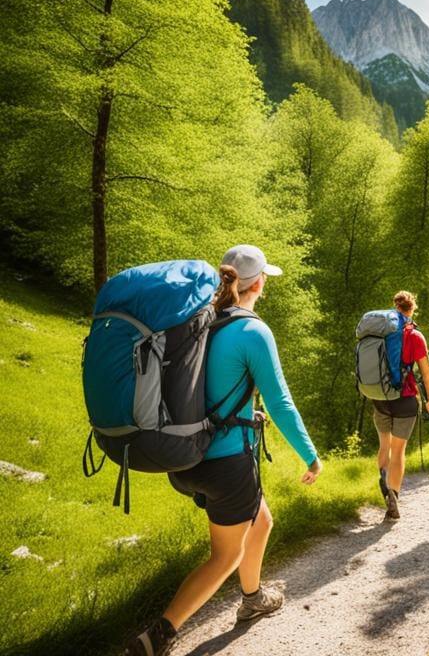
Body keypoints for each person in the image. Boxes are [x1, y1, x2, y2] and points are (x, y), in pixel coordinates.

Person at [125, 245, 321, 656]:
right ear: (260, 283)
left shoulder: (198, 324)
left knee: (261, 520)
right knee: (225, 556)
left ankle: (252, 599)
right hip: (227, 465)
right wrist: (310, 455)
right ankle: (159, 635)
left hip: (184, 457)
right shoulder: (253, 331)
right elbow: (281, 402)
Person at [371, 291, 429, 520]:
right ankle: (394, 494)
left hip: (379, 397)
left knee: (384, 446)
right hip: (405, 398)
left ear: (394, 307)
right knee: (398, 450)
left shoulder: (379, 333)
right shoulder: (415, 336)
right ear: (412, 309)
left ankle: (383, 477)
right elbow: (426, 372)